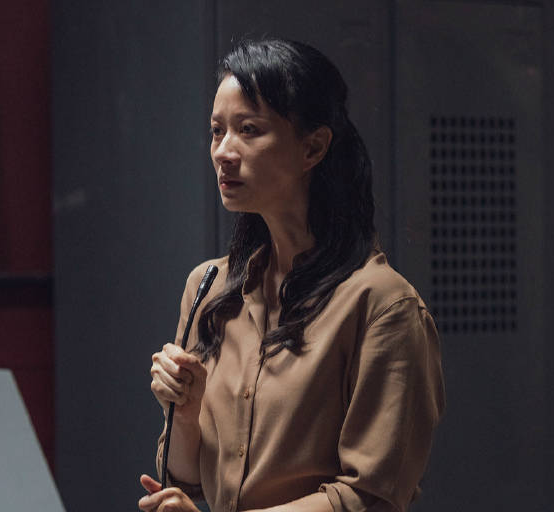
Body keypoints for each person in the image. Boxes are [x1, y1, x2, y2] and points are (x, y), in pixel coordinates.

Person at [138, 38, 445, 512]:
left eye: (249, 130)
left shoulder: (382, 306)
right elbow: (186, 480)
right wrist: (185, 411)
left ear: (313, 147)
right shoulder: (208, 287)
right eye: (217, 131)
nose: (223, 151)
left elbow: (368, 496)